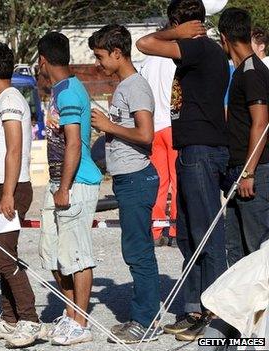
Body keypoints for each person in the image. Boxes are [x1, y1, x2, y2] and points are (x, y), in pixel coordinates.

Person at [137, 0, 230, 341]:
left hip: (202, 150)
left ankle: (219, 315)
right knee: (189, 234)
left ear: (179, 22)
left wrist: (175, 32)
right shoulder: (200, 52)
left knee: (207, 234)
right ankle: (194, 307)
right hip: (190, 147)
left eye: (173, 23)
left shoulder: (200, 48)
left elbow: (143, 43)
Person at [89, 24, 160, 343]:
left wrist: (108, 125)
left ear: (118, 53)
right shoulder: (123, 87)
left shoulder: (135, 87)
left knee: (139, 250)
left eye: (101, 56)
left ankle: (146, 320)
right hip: (126, 177)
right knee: (133, 249)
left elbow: (146, 135)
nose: (98, 63)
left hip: (137, 178)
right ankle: (139, 315)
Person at [0, 41, 42, 348]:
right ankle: (10, 318)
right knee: (2, 256)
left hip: (9, 189)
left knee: (4, 256)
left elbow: (14, 149)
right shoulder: (3, 99)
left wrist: (9, 194)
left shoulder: (10, 99)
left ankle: (29, 319)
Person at [36, 31, 103, 346]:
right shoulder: (60, 89)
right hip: (57, 183)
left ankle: (81, 321)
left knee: (76, 255)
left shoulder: (69, 93)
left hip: (75, 183)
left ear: (43, 60)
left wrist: (64, 188)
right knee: (52, 252)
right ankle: (69, 312)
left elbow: (75, 142)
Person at [219, 8, 269, 265]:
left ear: (224, 38)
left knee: (257, 248)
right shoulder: (242, 71)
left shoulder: (252, 72)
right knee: (236, 248)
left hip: (254, 171)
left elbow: (261, 122)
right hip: (239, 169)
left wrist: (248, 173)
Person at [138, 54, 178, 245]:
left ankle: (155, 230)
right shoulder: (176, 59)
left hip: (153, 127)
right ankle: (175, 230)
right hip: (174, 125)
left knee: (158, 182)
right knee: (178, 182)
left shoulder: (146, 62)